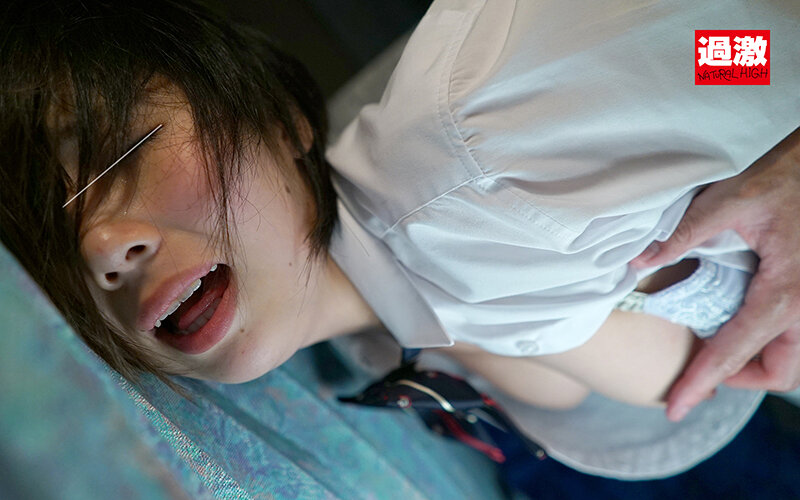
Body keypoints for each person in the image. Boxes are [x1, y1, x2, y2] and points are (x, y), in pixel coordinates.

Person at [1, 0, 797, 478]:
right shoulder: (383, 321)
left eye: (119, 154)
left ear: (279, 115)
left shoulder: (494, 130)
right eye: (45, 254)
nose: (98, 246)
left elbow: (754, 46)